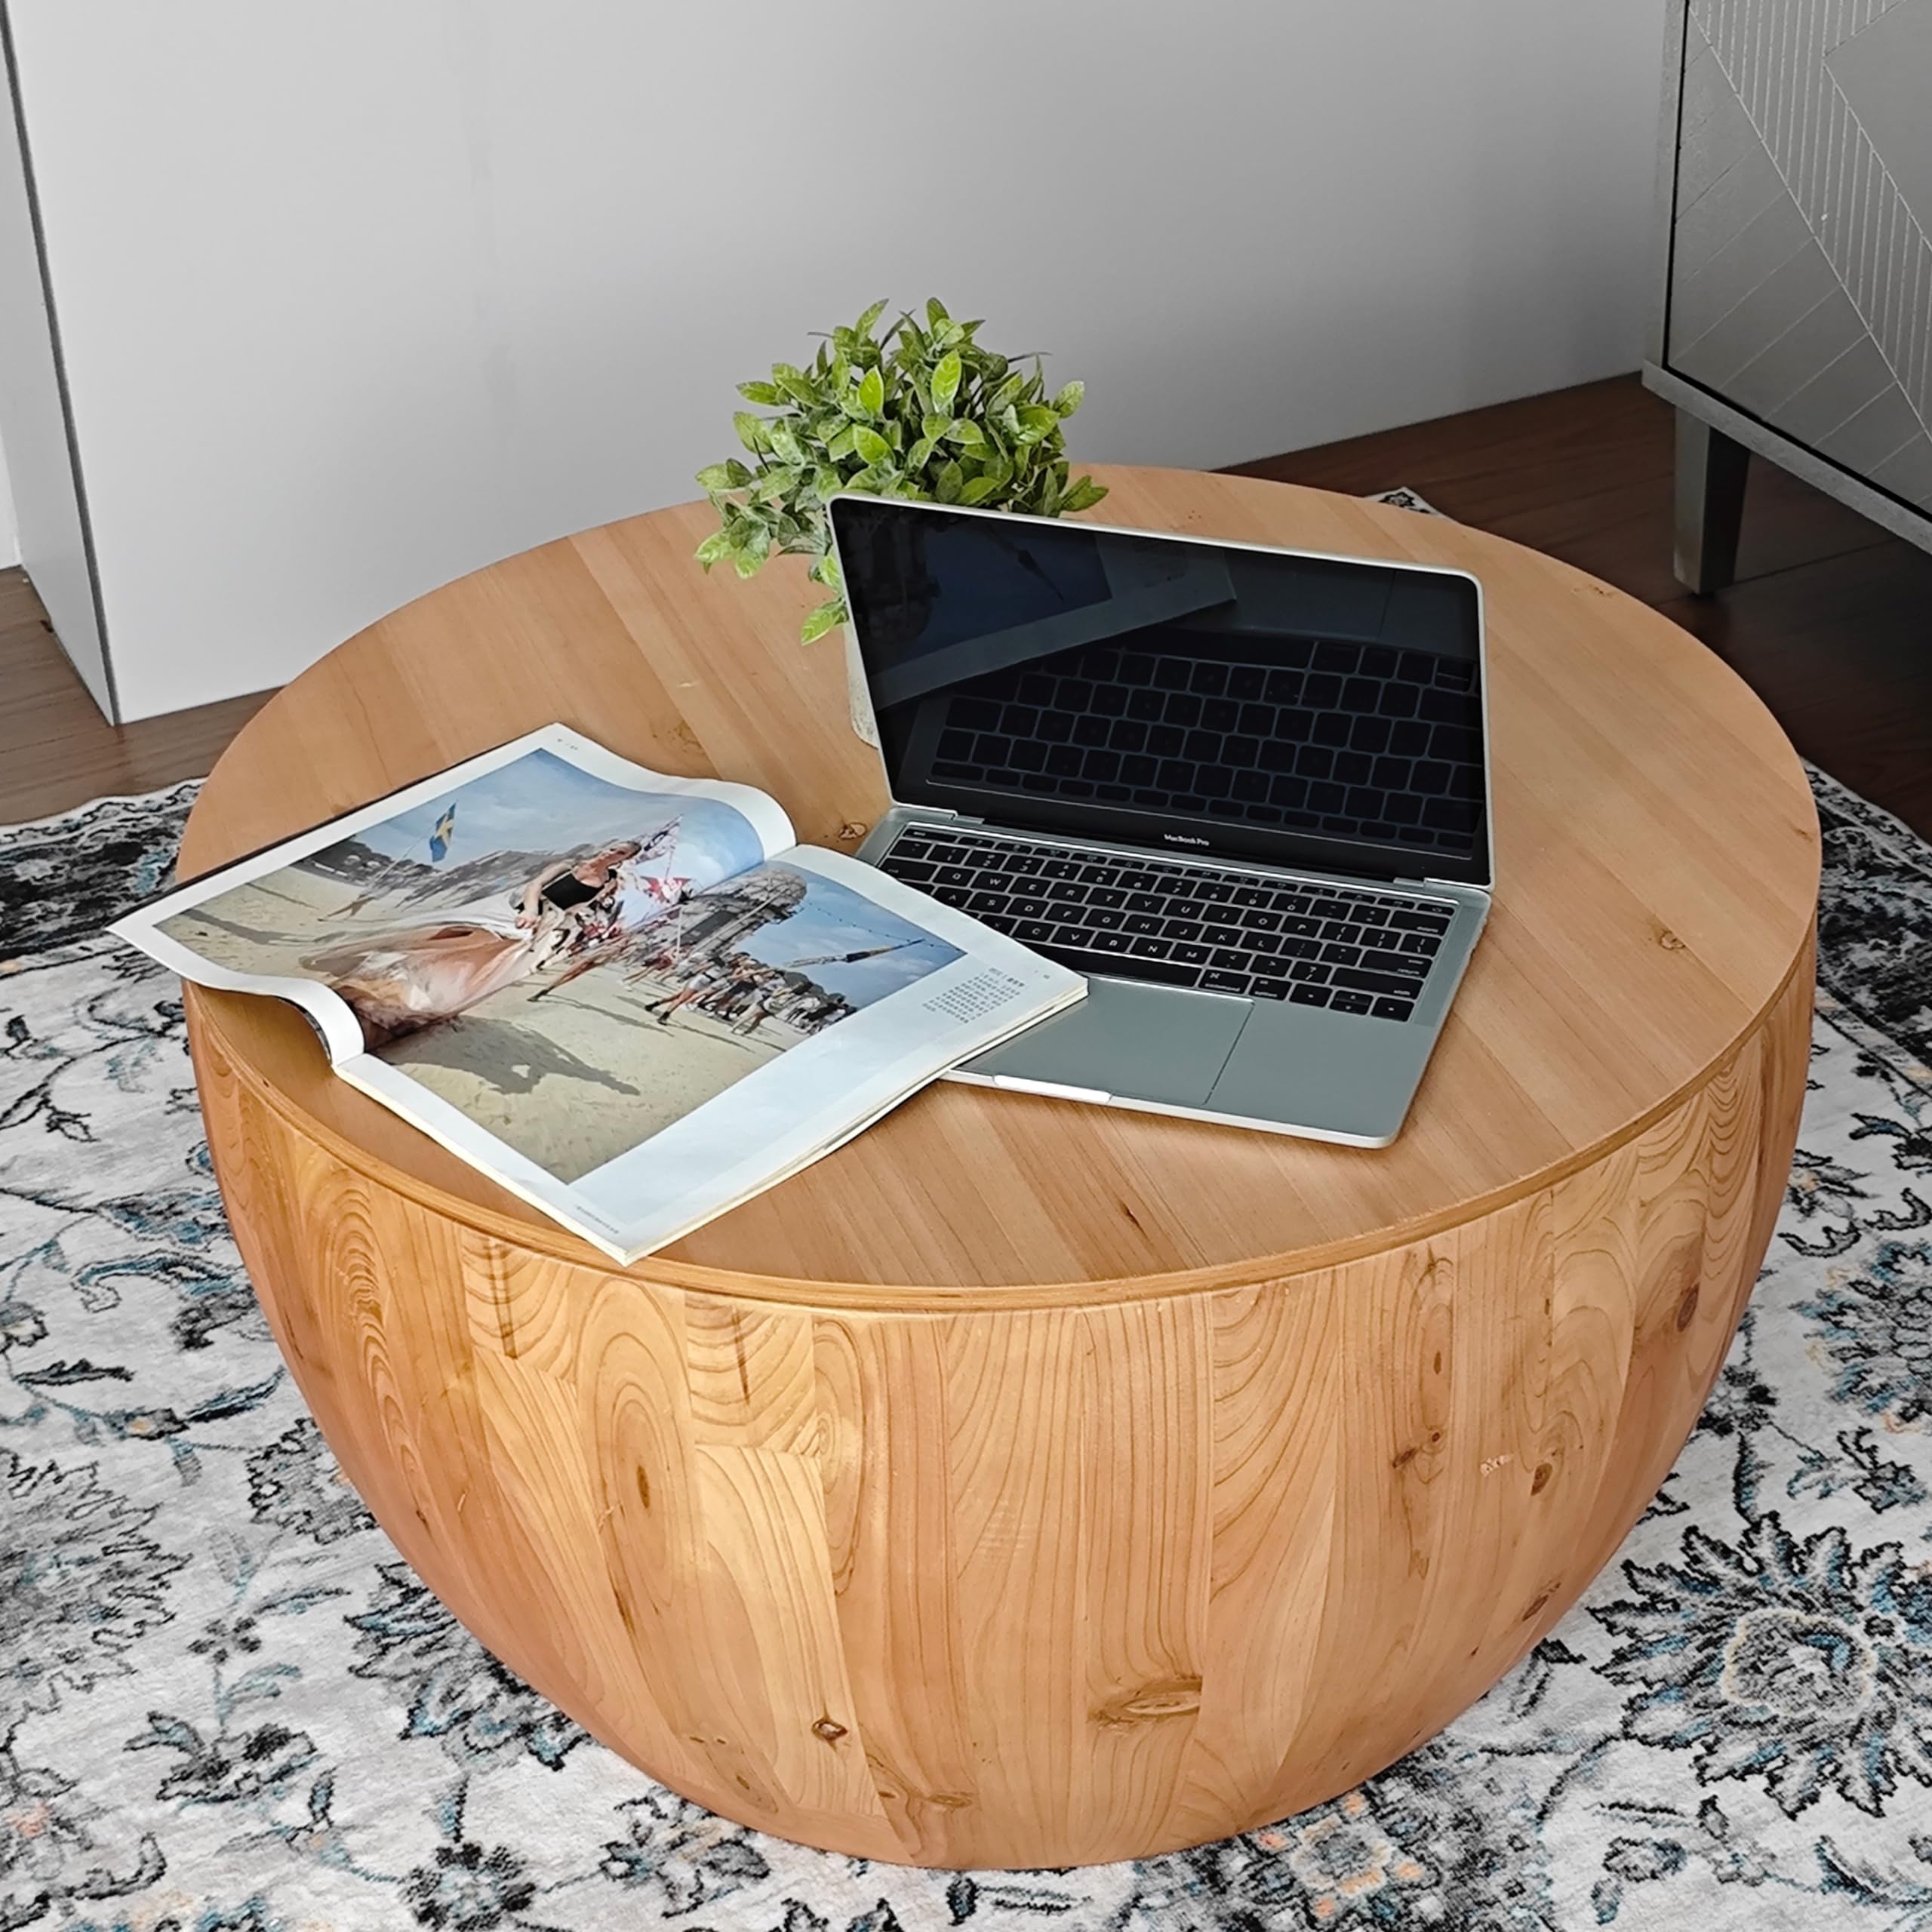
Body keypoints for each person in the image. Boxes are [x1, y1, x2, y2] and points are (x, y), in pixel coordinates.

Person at [301, 841, 643, 1048]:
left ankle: (422, 996)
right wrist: (531, 911)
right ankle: (362, 963)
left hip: (545, 924)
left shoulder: (607, 882)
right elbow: (535, 885)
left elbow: (578, 909)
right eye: (614, 847)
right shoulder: (570, 864)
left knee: (485, 962)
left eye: (620, 853)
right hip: (520, 911)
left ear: (622, 860)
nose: (612, 853)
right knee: (453, 937)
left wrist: (554, 927)